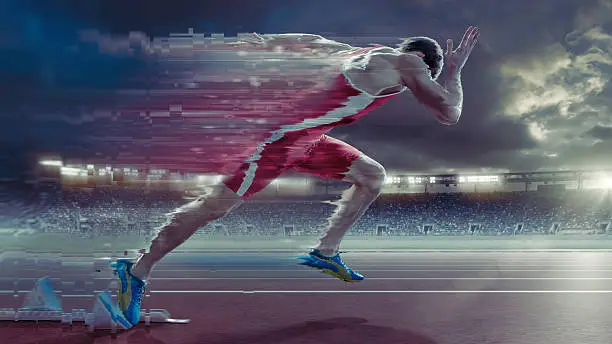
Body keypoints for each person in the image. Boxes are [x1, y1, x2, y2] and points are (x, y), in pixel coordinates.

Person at [111, 26, 480, 326]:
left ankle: (326, 251)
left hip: (308, 140)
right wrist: (455, 72)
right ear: (426, 64)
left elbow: (311, 42)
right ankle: (138, 270)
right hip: (281, 140)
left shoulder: (365, 52)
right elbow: (450, 113)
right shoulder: (409, 65)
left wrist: (265, 42)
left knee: (371, 175)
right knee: (213, 207)